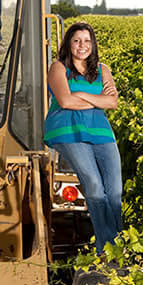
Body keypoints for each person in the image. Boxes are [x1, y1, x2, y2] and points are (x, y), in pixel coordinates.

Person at [44, 22, 123, 250]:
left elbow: (113, 102)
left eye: (87, 41)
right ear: (69, 43)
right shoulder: (58, 68)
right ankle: (108, 246)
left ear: (93, 44)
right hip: (68, 131)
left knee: (115, 191)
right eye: (77, 40)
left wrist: (80, 94)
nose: (82, 45)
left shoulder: (102, 69)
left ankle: (115, 242)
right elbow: (65, 101)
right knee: (94, 186)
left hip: (100, 132)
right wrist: (96, 99)